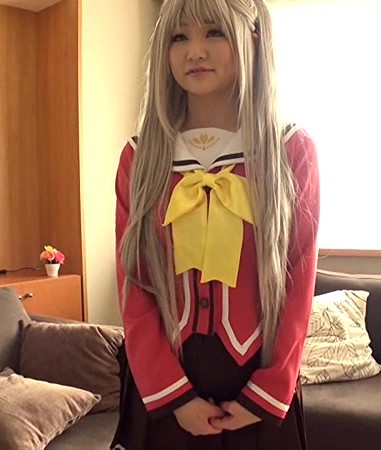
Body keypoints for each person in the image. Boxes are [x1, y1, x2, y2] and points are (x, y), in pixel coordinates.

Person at [111, 0, 319, 448]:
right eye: (179, 37)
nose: (195, 51)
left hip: (256, 388)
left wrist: (268, 390)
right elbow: (133, 283)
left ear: (252, 40)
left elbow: (299, 280)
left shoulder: (289, 150)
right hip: (166, 391)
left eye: (214, 32)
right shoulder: (139, 157)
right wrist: (172, 394)